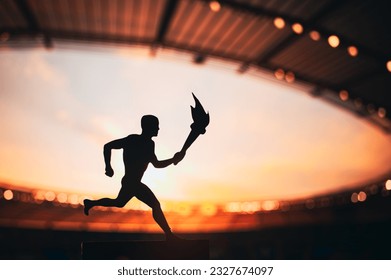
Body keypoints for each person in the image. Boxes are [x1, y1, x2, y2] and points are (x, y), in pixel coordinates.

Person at [83, 115, 185, 241]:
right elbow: (107, 146)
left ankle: (91, 203)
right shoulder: (132, 140)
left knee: (119, 202)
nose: (158, 128)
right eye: (156, 126)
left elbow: (157, 164)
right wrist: (108, 167)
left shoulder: (150, 144)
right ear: (149, 127)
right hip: (132, 183)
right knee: (155, 205)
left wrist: (173, 160)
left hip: (132, 182)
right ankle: (169, 235)